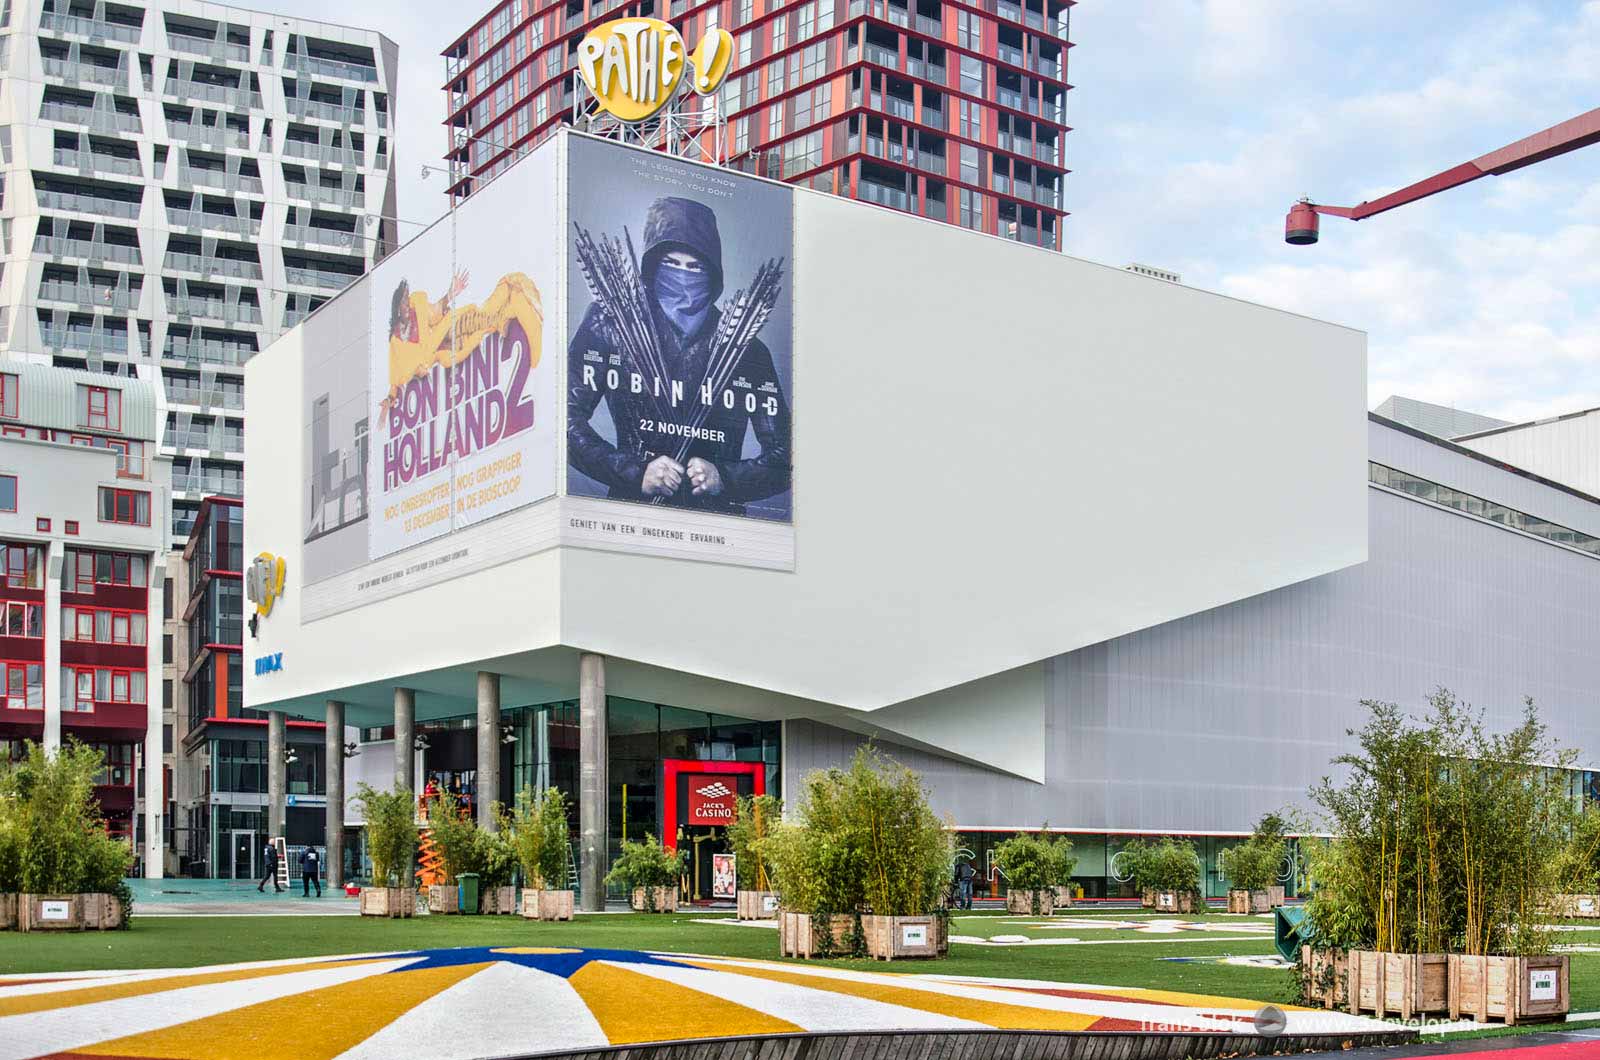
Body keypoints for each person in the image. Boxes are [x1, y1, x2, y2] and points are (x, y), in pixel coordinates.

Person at [568, 196, 792, 516]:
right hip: (631, 518)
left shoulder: (746, 347)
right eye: (671, 264)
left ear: (712, 273)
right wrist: (634, 471)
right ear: (653, 268)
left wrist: (725, 477)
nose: (683, 276)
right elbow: (565, 419)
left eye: (695, 266)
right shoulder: (611, 324)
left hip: (719, 526)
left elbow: (786, 455)